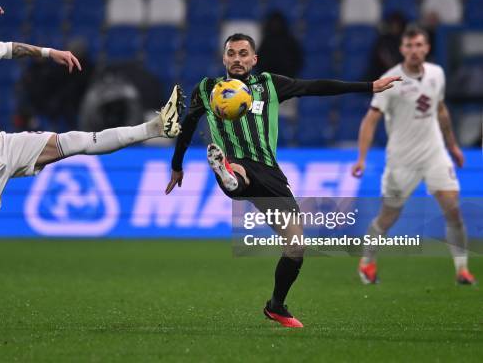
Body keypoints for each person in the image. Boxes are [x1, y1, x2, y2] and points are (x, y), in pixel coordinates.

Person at [0, 4, 184, 327]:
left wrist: (52, 53)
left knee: (78, 141)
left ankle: (154, 127)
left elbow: (11, 49)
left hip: (4, 146)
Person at [165, 33, 401, 328]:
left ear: (254, 59)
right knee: (239, 177)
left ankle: (276, 306)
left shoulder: (269, 84)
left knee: (296, 245)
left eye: (243, 53)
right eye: (231, 54)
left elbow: (314, 87)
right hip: (239, 163)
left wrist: (369, 86)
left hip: (270, 172)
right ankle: (227, 174)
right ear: (223, 58)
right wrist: (176, 165)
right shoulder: (208, 88)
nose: (237, 59)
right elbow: (188, 125)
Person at [352, 25, 476, 285]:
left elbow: (440, 110)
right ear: (402, 49)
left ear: (427, 47)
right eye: (409, 46)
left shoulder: (437, 74)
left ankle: (462, 270)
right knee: (389, 216)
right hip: (401, 160)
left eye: (419, 45)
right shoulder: (391, 80)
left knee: (453, 209)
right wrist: (361, 158)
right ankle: (367, 262)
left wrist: (452, 146)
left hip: (434, 155)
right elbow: (370, 120)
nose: (414, 50)